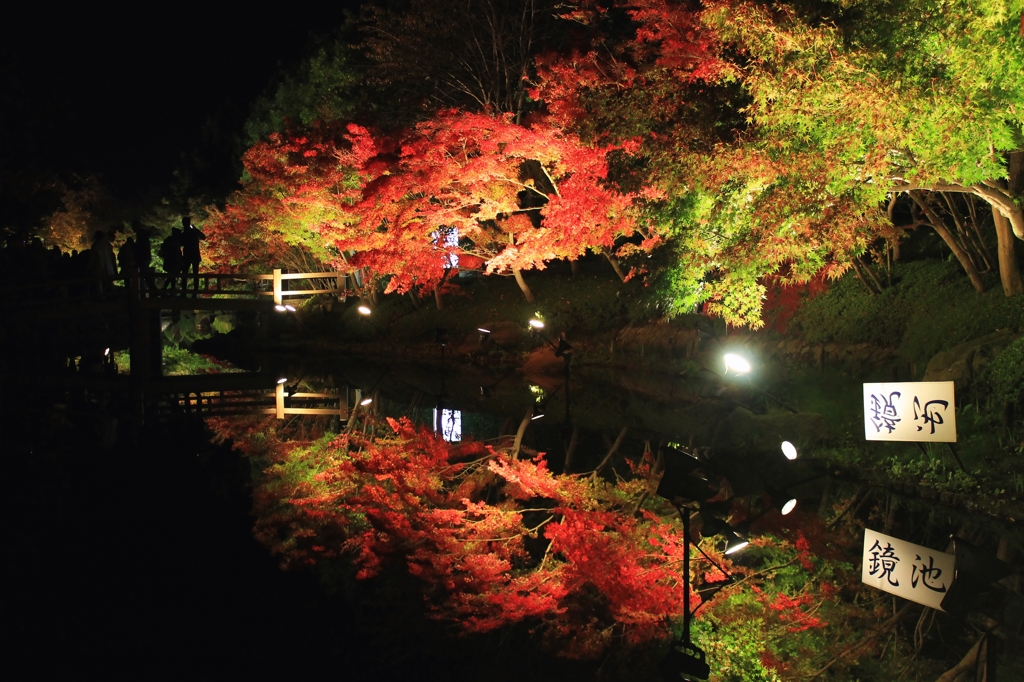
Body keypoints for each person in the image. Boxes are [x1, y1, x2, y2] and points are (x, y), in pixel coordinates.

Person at [180, 216, 206, 295]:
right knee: (195, 274)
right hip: (195, 255)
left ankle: (184, 292)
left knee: (184, 273)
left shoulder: (184, 233)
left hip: (187, 255)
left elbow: (181, 243)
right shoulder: (194, 232)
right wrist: (196, 229)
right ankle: (195, 292)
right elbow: (203, 237)